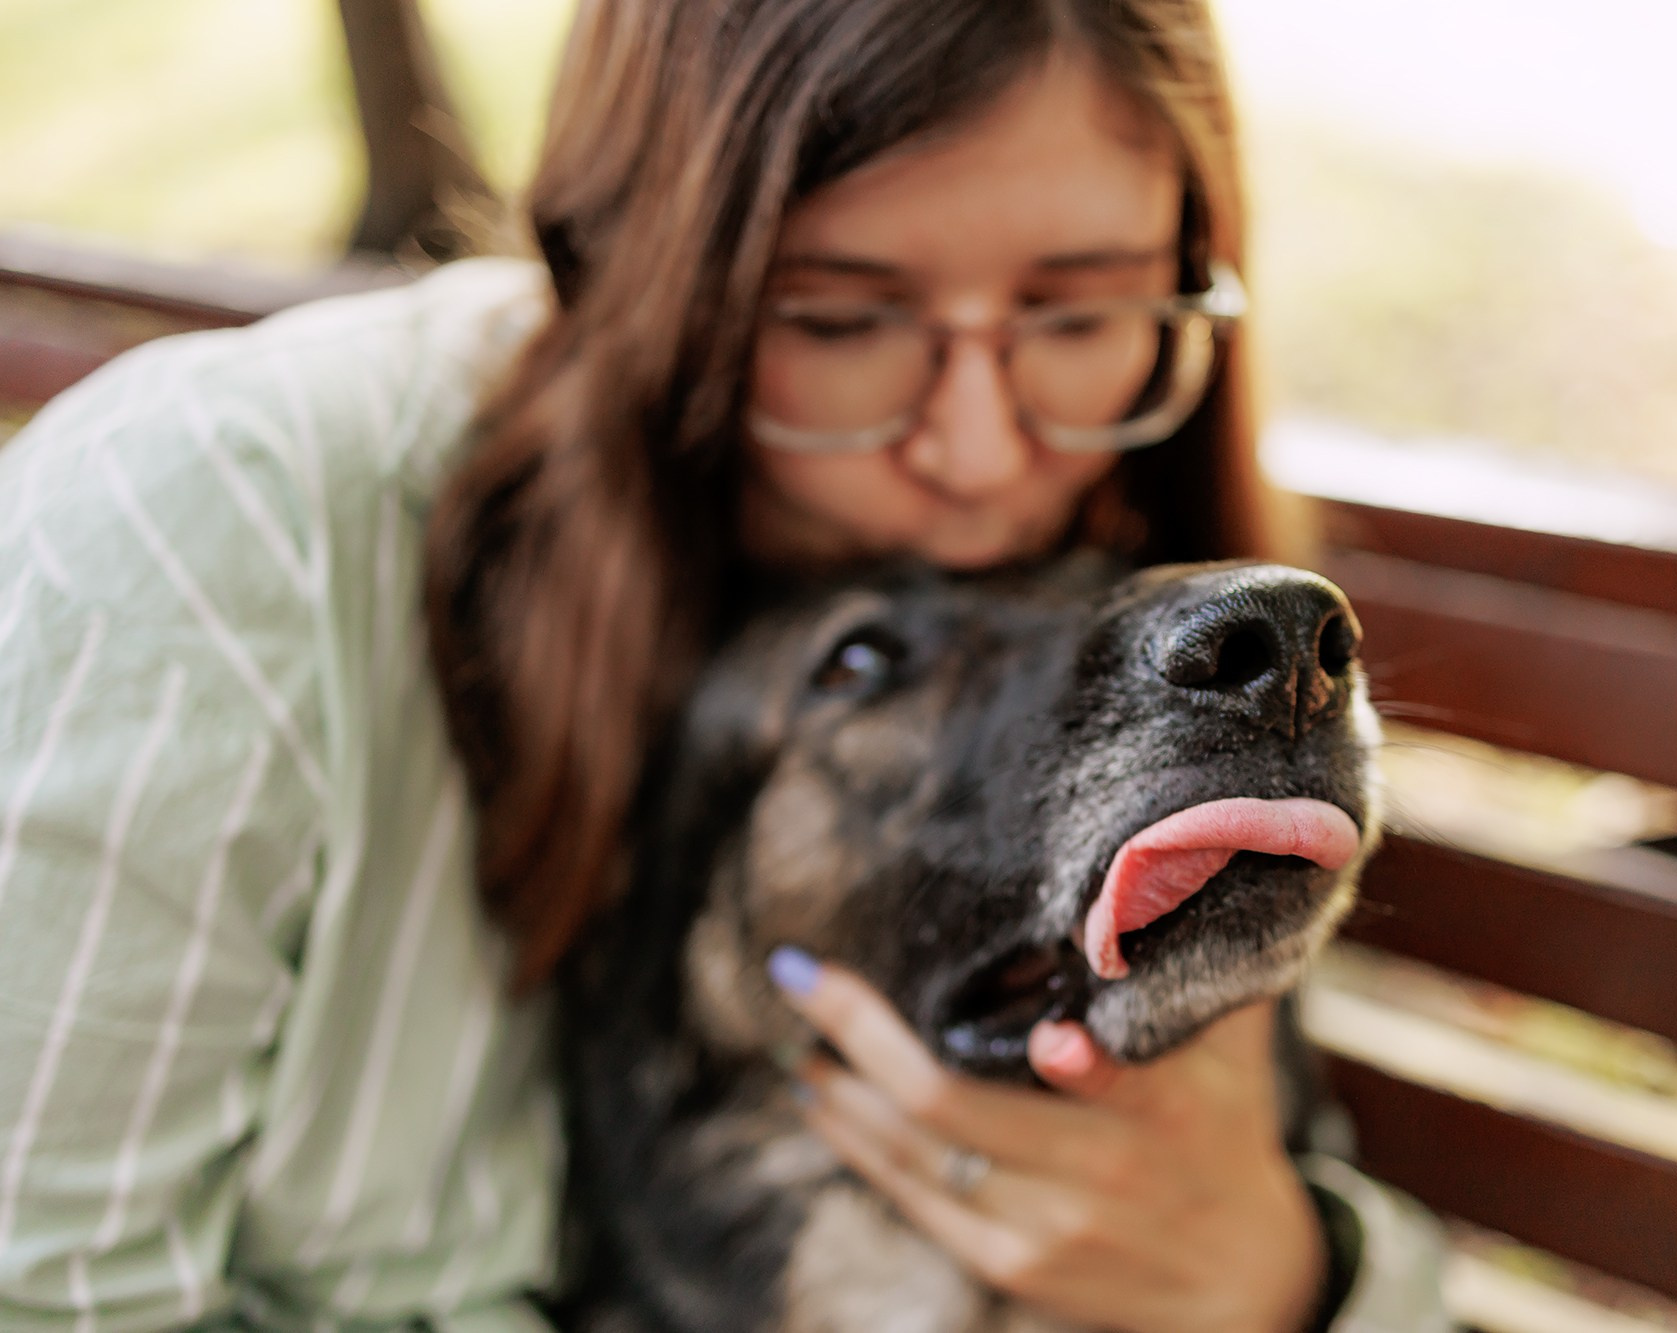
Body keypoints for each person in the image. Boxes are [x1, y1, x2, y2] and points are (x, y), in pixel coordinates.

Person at [0, 1, 1451, 1328]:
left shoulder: (1105, 539)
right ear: (628, 267)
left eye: (1079, 314)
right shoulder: (222, 526)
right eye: (839, 317)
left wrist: (1276, 1271)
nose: (979, 451)